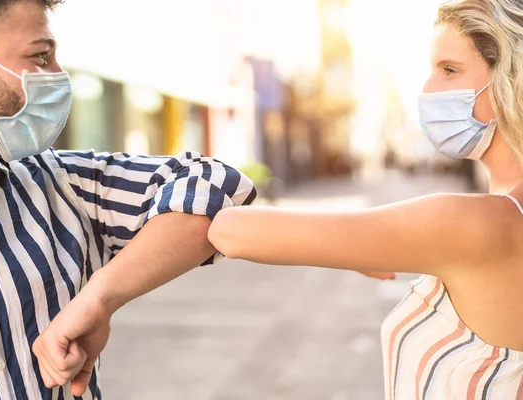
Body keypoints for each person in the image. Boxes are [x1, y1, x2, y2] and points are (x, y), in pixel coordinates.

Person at [0, 0, 256, 398]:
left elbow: (217, 185)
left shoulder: (62, 185)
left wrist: (100, 297)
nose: (59, 77)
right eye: (40, 56)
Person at [208, 0, 523, 398]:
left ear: (511, 80)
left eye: (449, 70)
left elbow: (233, 231)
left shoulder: (476, 222)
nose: (427, 89)